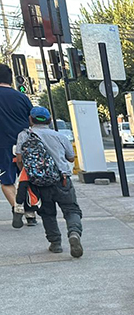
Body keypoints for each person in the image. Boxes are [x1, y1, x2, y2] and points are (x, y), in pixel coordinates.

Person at [16, 107, 83, 257]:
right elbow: (71, 158)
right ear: (50, 120)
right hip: (62, 180)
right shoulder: (59, 136)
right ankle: (74, 233)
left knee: (47, 213)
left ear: (30, 120)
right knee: (71, 210)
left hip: (38, 183)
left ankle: (55, 243)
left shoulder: (24, 136)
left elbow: (20, 160)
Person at [0, 63, 33, 228]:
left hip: (2, 145)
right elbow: (31, 119)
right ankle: (31, 211)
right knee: (27, 177)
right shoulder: (22, 97)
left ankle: (16, 207)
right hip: (24, 144)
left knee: (6, 180)